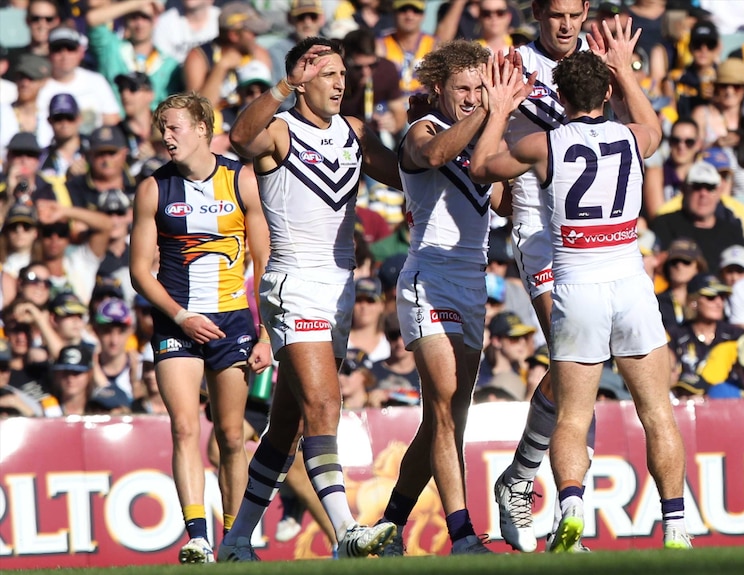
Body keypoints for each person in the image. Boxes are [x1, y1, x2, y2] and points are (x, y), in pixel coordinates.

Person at [470, 16, 691, 551]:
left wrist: (498, 110)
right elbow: (655, 130)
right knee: (656, 409)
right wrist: (625, 73)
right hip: (624, 276)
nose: (567, 22)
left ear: (558, 95)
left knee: (574, 406)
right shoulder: (634, 135)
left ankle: (563, 503)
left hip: (575, 276)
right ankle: (677, 528)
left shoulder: (544, 145)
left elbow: (480, 167)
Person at [221, 37, 403, 561]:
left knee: (290, 424)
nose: (340, 82)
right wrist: (282, 87)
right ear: (302, 79)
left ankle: (236, 542)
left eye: (343, 73)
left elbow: (402, 174)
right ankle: (346, 530)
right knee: (325, 403)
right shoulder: (280, 130)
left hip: (340, 287)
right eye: (328, 73)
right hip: (294, 282)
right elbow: (239, 137)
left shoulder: (355, 131)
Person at [374, 39, 512, 556]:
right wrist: (491, 115)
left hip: (474, 282)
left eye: (482, 87)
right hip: (428, 277)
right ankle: (462, 534)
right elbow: (434, 155)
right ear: (438, 91)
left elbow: (502, 202)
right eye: (464, 89)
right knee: (446, 404)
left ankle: (387, 526)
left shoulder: (483, 138)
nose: (475, 97)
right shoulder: (423, 130)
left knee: (445, 416)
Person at [129, 92, 272, 564]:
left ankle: (235, 539)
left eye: (174, 128)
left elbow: (264, 262)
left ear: (203, 128)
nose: (166, 137)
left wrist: (267, 333)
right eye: (162, 129)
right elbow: (139, 271)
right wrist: (182, 316)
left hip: (232, 321)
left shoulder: (241, 180)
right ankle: (197, 537)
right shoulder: (154, 188)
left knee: (231, 436)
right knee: (185, 428)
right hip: (179, 321)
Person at [487, 0, 592, 553]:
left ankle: (522, 479)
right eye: (555, 14)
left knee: (585, 367)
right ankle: (551, 501)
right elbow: (486, 131)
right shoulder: (512, 62)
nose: (566, 25)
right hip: (539, 224)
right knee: (573, 360)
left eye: (574, 14)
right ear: (538, 13)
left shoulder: (602, 59)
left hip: (596, 229)